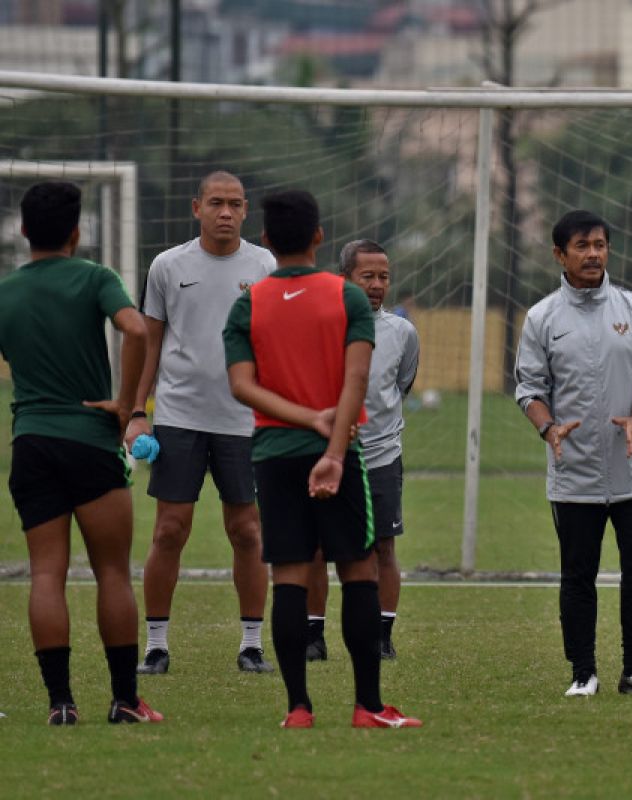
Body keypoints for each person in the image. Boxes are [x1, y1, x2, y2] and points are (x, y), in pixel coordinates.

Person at [223, 189, 420, 728]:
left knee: (289, 573)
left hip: (273, 455)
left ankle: (298, 709)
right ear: (318, 237)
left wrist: (299, 417)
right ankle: (368, 707)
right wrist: (332, 445)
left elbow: (241, 385)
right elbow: (357, 378)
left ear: (264, 239)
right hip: (338, 453)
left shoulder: (249, 302)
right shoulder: (347, 298)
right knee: (359, 567)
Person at [0, 181, 162, 724]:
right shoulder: (96, 278)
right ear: (76, 232)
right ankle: (124, 701)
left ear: (23, 231)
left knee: (47, 573)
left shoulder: (5, 292)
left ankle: (61, 705)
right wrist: (126, 404)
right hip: (91, 440)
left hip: (32, 442)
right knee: (112, 572)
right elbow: (136, 329)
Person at [514, 209, 632, 697]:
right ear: (560, 254)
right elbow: (528, 388)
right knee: (577, 575)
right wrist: (549, 429)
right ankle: (583, 672)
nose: (593, 254)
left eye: (600, 244)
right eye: (582, 246)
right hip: (573, 472)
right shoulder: (542, 317)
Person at [125, 170, 275, 675]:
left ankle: (252, 644)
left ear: (246, 210)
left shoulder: (265, 265)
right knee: (170, 530)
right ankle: (156, 645)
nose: (225, 212)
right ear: (196, 208)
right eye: (216, 202)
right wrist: (137, 412)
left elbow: (274, 348)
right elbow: (148, 343)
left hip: (243, 420)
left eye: (234, 203)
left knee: (247, 531)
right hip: (179, 417)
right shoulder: (168, 265)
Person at [305, 240, 420, 662]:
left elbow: (400, 385)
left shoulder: (402, 332)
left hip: (381, 455)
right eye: (366, 276)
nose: (376, 285)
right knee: (316, 547)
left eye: (383, 277)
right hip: (325, 453)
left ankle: (380, 634)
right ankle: (313, 636)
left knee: (382, 548)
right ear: (344, 279)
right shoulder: (320, 324)